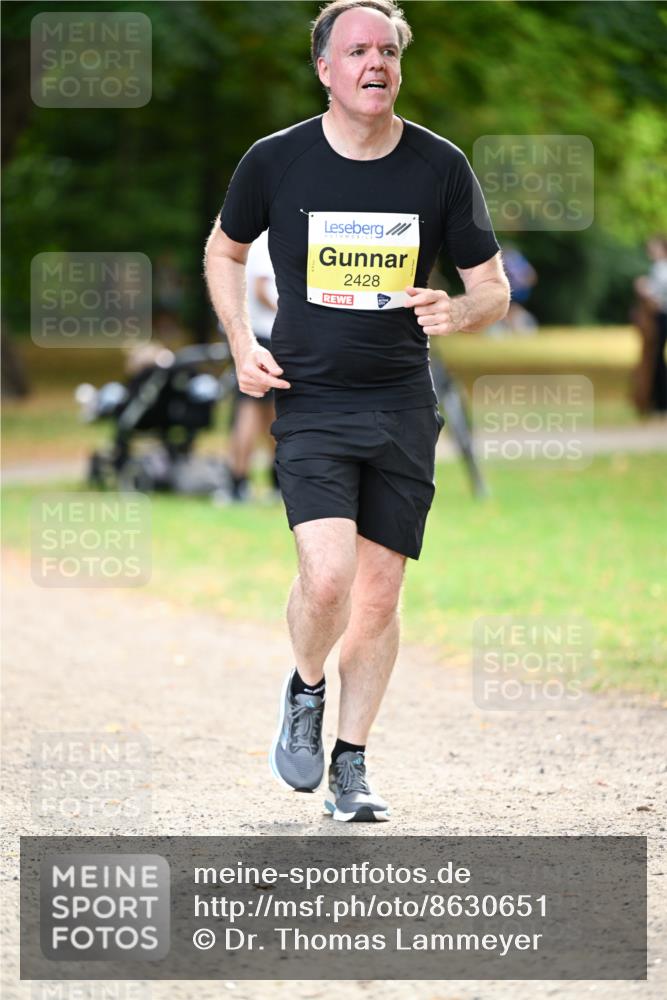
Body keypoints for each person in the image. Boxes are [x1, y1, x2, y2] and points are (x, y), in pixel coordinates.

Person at [204, 0, 509, 822]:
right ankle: (305, 688)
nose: (376, 63)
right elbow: (224, 250)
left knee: (377, 597)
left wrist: (458, 310)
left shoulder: (439, 166)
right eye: (357, 51)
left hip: (401, 404)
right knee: (328, 576)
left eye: (388, 51)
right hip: (309, 398)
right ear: (325, 69)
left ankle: (351, 764)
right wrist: (240, 341)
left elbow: (491, 287)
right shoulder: (276, 160)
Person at [225, 229, 279, 500]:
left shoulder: (248, 240)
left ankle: (254, 481)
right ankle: (240, 480)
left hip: (252, 334)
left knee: (263, 411)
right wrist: (293, 315)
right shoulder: (267, 241)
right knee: (252, 410)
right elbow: (261, 289)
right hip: (265, 336)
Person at [633, 236, 667, 414]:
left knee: (656, 358)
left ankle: (660, 401)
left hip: (662, 316)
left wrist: (642, 287)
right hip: (660, 316)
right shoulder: (659, 268)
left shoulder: (661, 268)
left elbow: (656, 296)